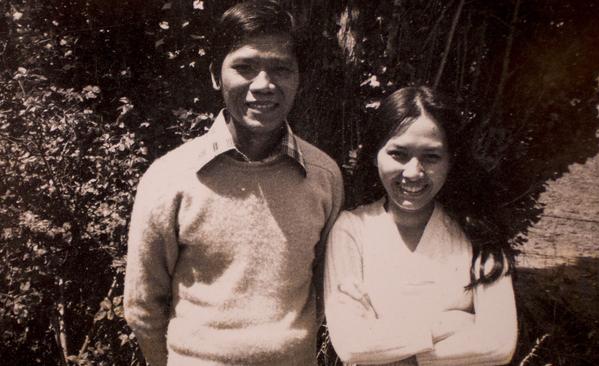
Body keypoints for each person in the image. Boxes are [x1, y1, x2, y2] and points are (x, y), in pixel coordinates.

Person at [124, 1, 344, 365]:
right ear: (215, 75)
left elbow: (324, 290)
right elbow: (143, 307)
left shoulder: (322, 176)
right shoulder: (169, 178)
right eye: (244, 67)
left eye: (280, 69)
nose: (264, 85)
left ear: (298, 77)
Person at [324, 86, 517, 366]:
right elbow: (353, 346)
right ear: (375, 155)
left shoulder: (479, 233)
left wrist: (397, 354)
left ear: (452, 161)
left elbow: (498, 345)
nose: (413, 172)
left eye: (431, 157)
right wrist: (450, 324)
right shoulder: (352, 230)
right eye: (398, 154)